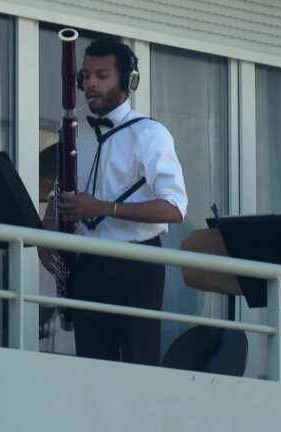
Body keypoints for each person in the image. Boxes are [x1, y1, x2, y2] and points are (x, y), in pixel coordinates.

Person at [41, 37, 187, 366]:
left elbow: (175, 207)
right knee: (92, 367)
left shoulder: (149, 134)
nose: (90, 84)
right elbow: (61, 198)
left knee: (137, 366)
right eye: (85, 76)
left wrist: (103, 208)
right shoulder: (76, 136)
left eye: (101, 75)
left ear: (128, 81)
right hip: (90, 266)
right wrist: (47, 235)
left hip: (136, 266)